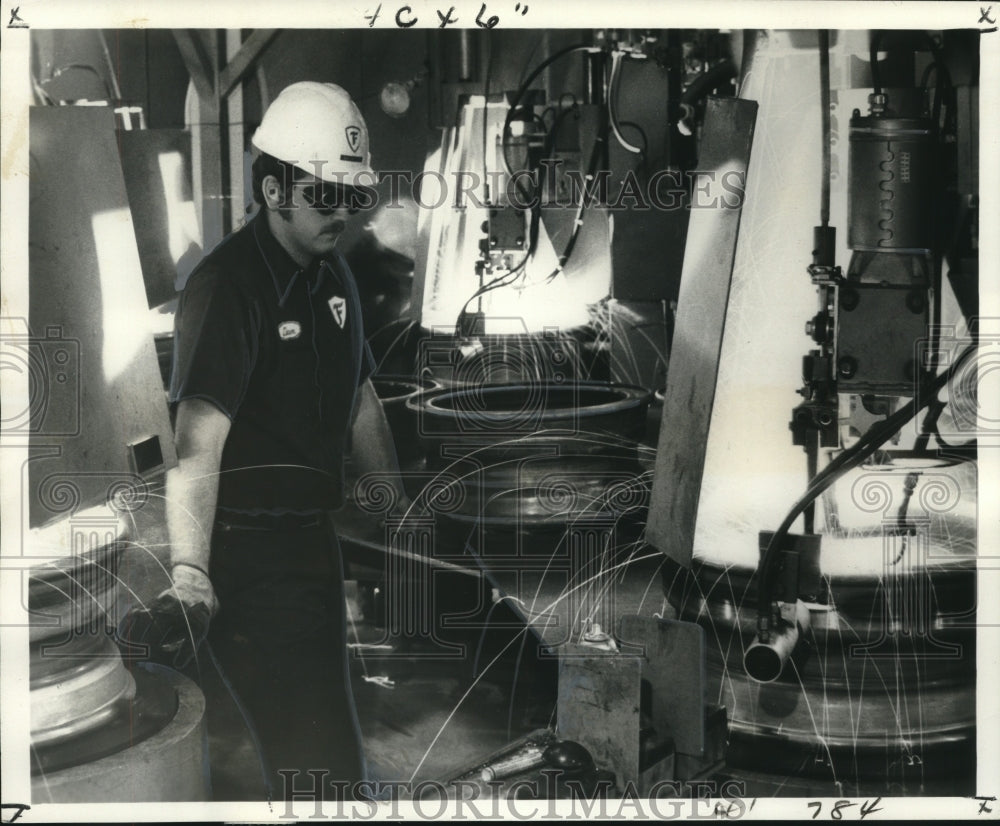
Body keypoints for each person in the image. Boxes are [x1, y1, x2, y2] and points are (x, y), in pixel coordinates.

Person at [128, 81, 405, 801]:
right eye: (325, 197)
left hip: (312, 546)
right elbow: (197, 450)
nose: (343, 214)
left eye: (353, 197)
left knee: (326, 744)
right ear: (274, 187)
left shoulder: (331, 269)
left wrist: (394, 508)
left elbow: (360, 398)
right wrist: (191, 571)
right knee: (319, 760)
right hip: (249, 560)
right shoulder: (229, 289)